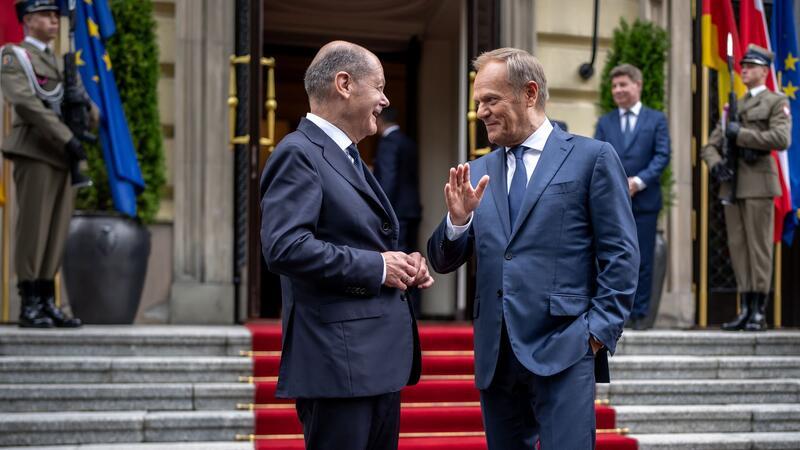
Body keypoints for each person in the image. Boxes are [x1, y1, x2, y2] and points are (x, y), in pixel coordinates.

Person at [427, 47, 639, 449]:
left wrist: (596, 333)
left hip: (565, 347)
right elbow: (442, 259)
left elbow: (621, 255)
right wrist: (458, 221)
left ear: (529, 93)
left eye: (491, 100)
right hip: (496, 357)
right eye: (478, 102)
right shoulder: (477, 172)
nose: (481, 112)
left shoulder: (592, 158)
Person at [259, 41, 433, 450]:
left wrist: (402, 264)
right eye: (380, 87)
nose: (385, 100)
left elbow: (360, 239)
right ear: (344, 84)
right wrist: (378, 268)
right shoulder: (298, 152)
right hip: (338, 366)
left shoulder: (348, 155)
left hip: (374, 363)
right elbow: (285, 247)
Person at [1, 0, 91, 328]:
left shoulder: (60, 61)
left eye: (56, 16)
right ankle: (29, 302)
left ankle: (46, 299)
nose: (54, 21)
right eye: (46, 16)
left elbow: (80, 102)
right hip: (36, 150)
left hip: (63, 157)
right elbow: (26, 104)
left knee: (56, 230)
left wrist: (89, 115)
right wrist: (66, 137)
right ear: (28, 20)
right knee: (34, 228)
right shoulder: (15, 56)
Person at [701, 44, 791, 332]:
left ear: (764, 71)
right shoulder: (733, 106)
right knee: (739, 249)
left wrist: (742, 134)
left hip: (759, 184)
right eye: (743, 66)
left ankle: (759, 311)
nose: (745, 70)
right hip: (733, 185)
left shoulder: (776, 101)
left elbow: (781, 138)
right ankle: (745, 308)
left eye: (751, 66)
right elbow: (710, 146)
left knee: (759, 248)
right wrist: (716, 165)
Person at [594, 63, 671, 330]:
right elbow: (597, 157)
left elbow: (662, 155)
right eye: (614, 86)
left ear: (637, 85)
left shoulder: (656, 119)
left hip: (645, 202)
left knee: (644, 259)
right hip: (613, 203)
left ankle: (640, 315)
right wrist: (617, 184)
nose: (617, 90)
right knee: (615, 258)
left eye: (623, 84)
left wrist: (637, 182)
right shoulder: (605, 122)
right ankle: (618, 313)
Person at [374, 106, 422, 315]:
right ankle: (415, 307)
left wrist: (383, 211)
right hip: (412, 208)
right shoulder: (407, 142)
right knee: (412, 257)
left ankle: (404, 309)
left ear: (380, 120)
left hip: (396, 211)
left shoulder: (388, 143)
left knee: (400, 258)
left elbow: (388, 179)